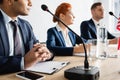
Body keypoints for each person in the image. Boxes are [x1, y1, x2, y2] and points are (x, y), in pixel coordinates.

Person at [0, 0, 53, 74]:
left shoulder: (26, 25)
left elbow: (36, 47)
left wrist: (45, 53)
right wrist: (23, 62)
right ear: (10, 1)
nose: (30, 3)